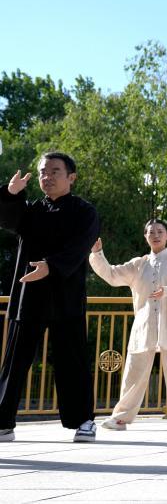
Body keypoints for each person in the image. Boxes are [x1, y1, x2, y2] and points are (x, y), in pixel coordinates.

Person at [0, 152, 100, 443]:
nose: (47, 176)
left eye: (55, 171)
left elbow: (81, 246)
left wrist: (51, 266)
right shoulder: (31, 210)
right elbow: (7, 220)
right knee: (15, 361)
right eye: (43, 171)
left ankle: (83, 421)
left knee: (72, 361)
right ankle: (3, 422)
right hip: (28, 294)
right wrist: (10, 194)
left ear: (71, 177)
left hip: (65, 296)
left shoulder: (84, 211)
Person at [89, 219, 167, 431]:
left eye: (160, 231)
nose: (156, 235)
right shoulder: (138, 264)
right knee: (133, 373)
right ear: (145, 237)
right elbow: (112, 275)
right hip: (144, 325)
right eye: (151, 232)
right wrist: (97, 253)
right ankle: (121, 418)